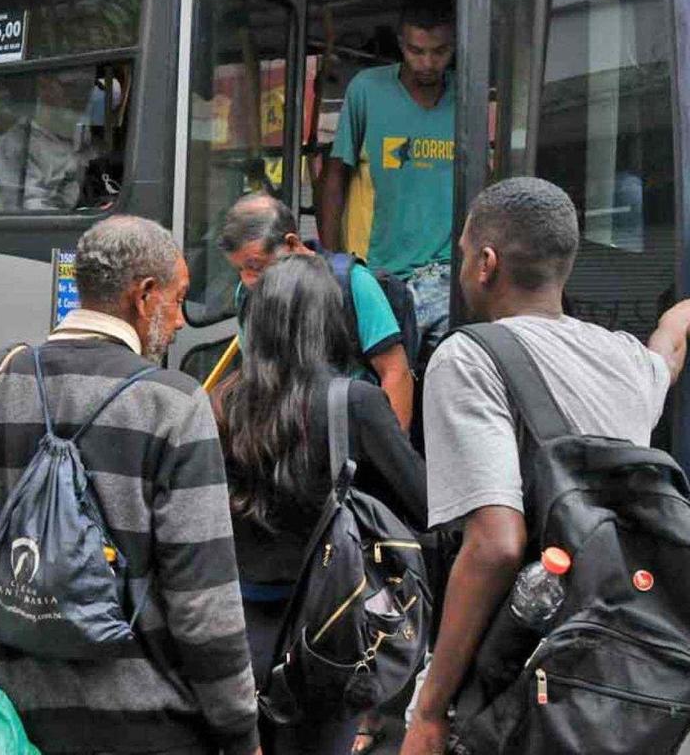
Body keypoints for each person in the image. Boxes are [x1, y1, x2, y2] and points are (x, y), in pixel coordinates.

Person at [0, 215, 261, 755]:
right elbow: (202, 601)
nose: (179, 321)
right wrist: (240, 730)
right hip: (148, 727)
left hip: (16, 718)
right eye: (178, 300)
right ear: (144, 296)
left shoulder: (1, 378)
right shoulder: (175, 404)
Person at [400, 177, 690, 755]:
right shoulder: (626, 360)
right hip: (611, 682)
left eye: (465, 253)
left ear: (487, 264)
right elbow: (669, 348)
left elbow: (496, 544)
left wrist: (430, 710)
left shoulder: (468, 358)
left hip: (515, 673)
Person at [217, 254, 428, 755]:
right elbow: (423, 504)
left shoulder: (222, 402)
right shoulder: (353, 402)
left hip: (234, 624)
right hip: (325, 629)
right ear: (327, 324)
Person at [320, 0, 456, 353]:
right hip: (376, 274)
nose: (427, 63)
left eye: (440, 52)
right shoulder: (367, 90)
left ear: (455, 46)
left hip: (446, 274)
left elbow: (483, 184)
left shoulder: (465, 94)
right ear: (400, 44)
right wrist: (331, 265)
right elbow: (334, 177)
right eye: (416, 51)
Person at [220, 192, 414, 431]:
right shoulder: (247, 294)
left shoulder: (352, 283)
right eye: (239, 270)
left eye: (256, 266)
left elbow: (395, 372)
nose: (248, 280)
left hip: (350, 428)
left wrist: (389, 445)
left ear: (292, 244)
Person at [0, 68, 97, 211]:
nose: (80, 97)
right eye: (71, 87)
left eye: (86, 89)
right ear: (44, 87)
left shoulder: (81, 136)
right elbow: (28, 209)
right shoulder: (18, 143)